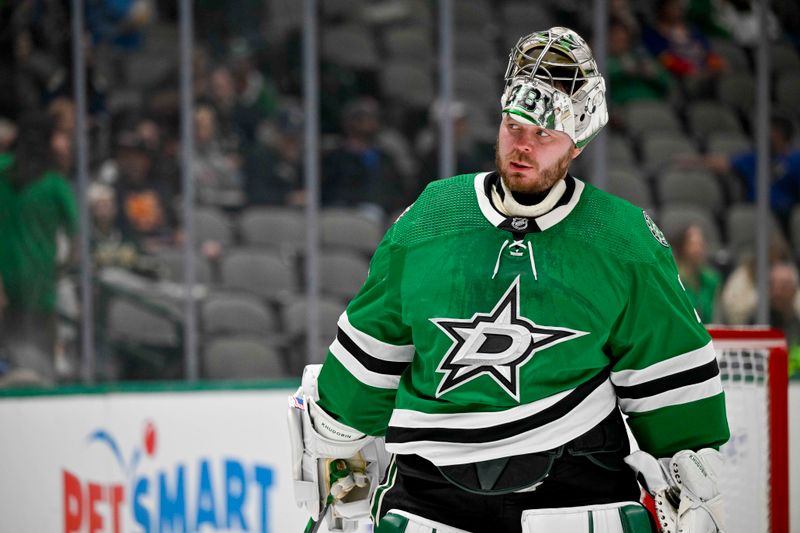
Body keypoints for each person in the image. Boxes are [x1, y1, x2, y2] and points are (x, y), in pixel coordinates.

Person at [288, 27, 729, 533]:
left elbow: (676, 399)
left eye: (544, 135)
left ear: (577, 144)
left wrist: (693, 485)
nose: (522, 145)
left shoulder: (624, 242)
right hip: (430, 492)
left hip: (576, 484)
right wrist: (335, 457)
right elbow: (365, 366)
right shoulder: (431, 218)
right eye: (514, 125)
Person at [0, 111, 78, 381]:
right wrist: (62, 269)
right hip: (40, 283)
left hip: (4, 283)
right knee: (41, 358)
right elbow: (77, 234)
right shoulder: (54, 182)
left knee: (9, 351)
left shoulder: (1, 169)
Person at [670, 223, 722, 323]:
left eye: (701, 244)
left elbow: (717, 318)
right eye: (693, 244)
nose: (698, 249)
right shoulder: (674, 279)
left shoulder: (712, 280)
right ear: (682, 247)